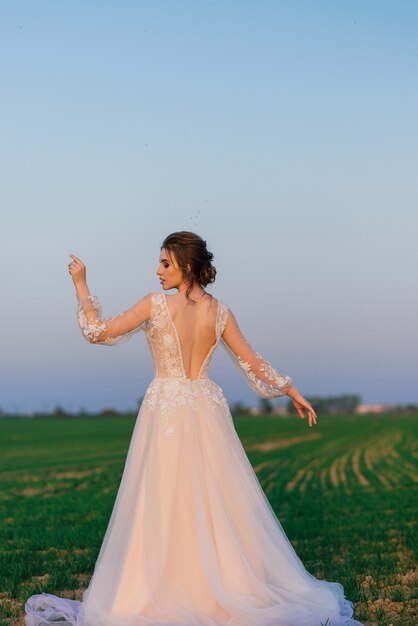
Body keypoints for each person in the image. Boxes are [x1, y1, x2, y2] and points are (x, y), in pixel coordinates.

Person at [25, 231, 364, 626]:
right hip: (205, 410)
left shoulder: (155, 305)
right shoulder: (219, 312)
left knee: (163, 499)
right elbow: (253, 361)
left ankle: (164, 589)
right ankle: (215, 588)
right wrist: (290, 388)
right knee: (212, 500)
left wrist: (81, 285)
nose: (157, 271)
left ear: (186, 266)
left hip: (165, 411)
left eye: (165, 263)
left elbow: (96, 331)